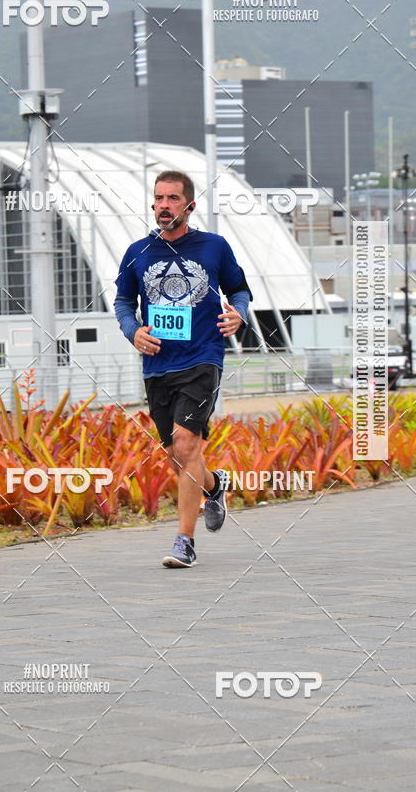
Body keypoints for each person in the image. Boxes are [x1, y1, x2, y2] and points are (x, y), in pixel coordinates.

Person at [114, 170, 252, 567]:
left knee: (188, 444)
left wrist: (238, 313)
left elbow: (239, 289)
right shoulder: (137, 252)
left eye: (173, 198)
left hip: (202, 358)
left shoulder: (214, 247)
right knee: (176, 454)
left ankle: (184, 542)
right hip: (158, 364)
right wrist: (132, 330)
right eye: (158, 198)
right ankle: (214, 485)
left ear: (189, 206)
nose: (163, 206)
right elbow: (123, 302)